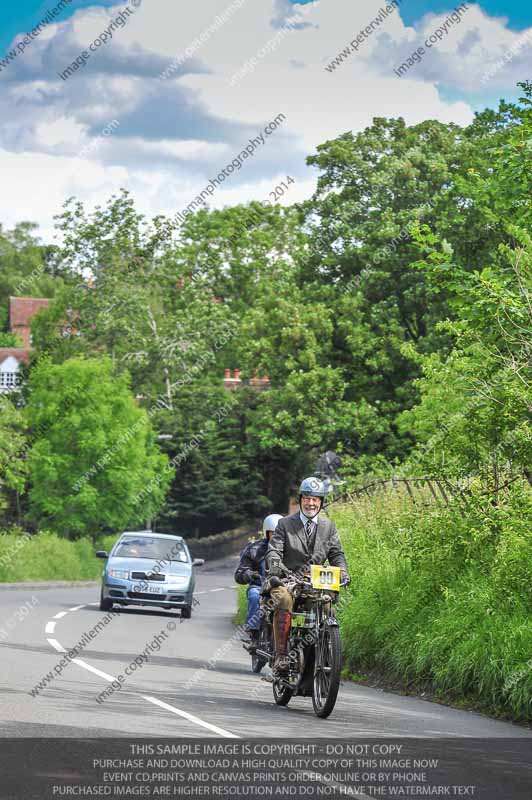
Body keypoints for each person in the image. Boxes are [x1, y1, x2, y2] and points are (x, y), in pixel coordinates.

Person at [265, 476, 350, 674]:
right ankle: (282, 655)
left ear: (321, 503)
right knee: (285, 599)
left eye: (315, 499)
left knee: (326, 603)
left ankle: (325, 653)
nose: (311, 503)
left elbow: (337, 554)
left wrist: (343, 571)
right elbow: (274, 551)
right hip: (286, 579)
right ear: (301, 499)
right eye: (307, 498)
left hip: (314, 582)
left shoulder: (329, 527)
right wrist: (276, 567)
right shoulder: (285, 524)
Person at [234, 513, 283, 647]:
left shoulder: (291, 550)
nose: (276, 537)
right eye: (273, 533)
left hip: (282, 588)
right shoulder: (255, 549)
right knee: (255, 596)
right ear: (266, 533)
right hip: (260, 587)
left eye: (279, 534)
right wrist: (250, 574)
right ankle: (254, 635)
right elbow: (239, 574)